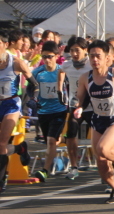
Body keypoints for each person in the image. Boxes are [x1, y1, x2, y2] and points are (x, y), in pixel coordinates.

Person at [73, 40, 114, 204]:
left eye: (98, 56)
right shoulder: (85, 78)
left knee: (103, 148)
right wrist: (77, 106)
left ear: (107, 57)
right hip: (98, 120)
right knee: (100, 160)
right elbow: (80, 99)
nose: (94, 59)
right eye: (92, 56)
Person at [30, 41, 68, 182]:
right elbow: (30, 86)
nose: (47, 60)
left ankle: (45, 171)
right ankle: (67, 139)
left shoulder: (62, 71)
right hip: (43, 111)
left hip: (59, 110)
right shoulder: (38, 72)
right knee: (50, 141)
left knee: (51, 141)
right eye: (44, 56)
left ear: (57, 56)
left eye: (50, 56)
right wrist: (32, 99)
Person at [0, 34, 33, 193]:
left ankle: (1, 181)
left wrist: (34, 97)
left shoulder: (16, 62)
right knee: (1, 147)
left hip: (11, 104)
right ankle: (20, 149)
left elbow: (33, 83)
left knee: (1, 143)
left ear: (5, 44)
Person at [59, 36, 92, 181]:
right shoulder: (67, 65)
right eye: (71, 50)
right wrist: (59, 89)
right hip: (75, 105)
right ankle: (74, 166)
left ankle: (108, 165)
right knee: (70, 134)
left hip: (93, 106)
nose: (74, 53)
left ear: (85, 50)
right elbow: (60, 71)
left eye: (77, 50)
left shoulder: (92, 64)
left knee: (100, 136)